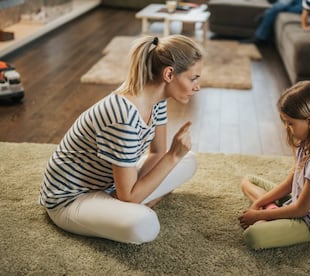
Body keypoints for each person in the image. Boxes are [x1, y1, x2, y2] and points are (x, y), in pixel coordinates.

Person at [39, 34, 203, 244]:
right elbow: (130, 195)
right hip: (71, 198)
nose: (197, 86)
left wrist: (172, 157)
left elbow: (157, 153)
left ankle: (127, 205)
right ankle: (134, 206)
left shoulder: (156, 100)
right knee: (145, 225)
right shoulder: (123, 116)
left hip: (111, 186)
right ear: (169, 74)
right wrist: (172, 157)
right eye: (193, 78)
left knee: (189, 160)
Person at [238, 80, 310, 249]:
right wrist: (257, 207)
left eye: (290, 123)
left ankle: (270, 213)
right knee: (248, 181)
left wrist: (258, 216)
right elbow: (289, 184)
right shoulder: (306, 143)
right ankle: (271, 210)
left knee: (252, 236)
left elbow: (301, 210)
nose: (286, 127)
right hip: (296, 202)